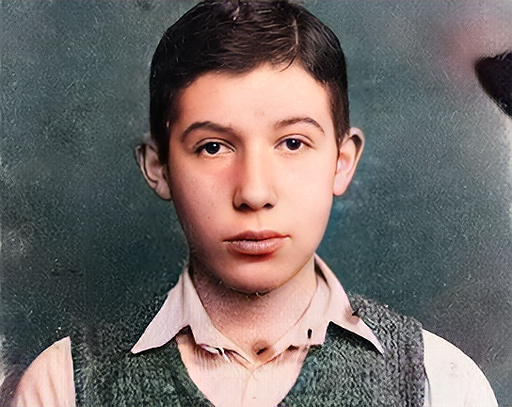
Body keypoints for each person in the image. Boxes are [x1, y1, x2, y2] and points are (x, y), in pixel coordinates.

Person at [10, 1, 498, 406]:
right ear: (159, 167)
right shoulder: (63, 386)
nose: (254, 192)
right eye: (213, 147)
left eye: (292, 143)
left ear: (342, 161)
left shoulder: (441, 384)